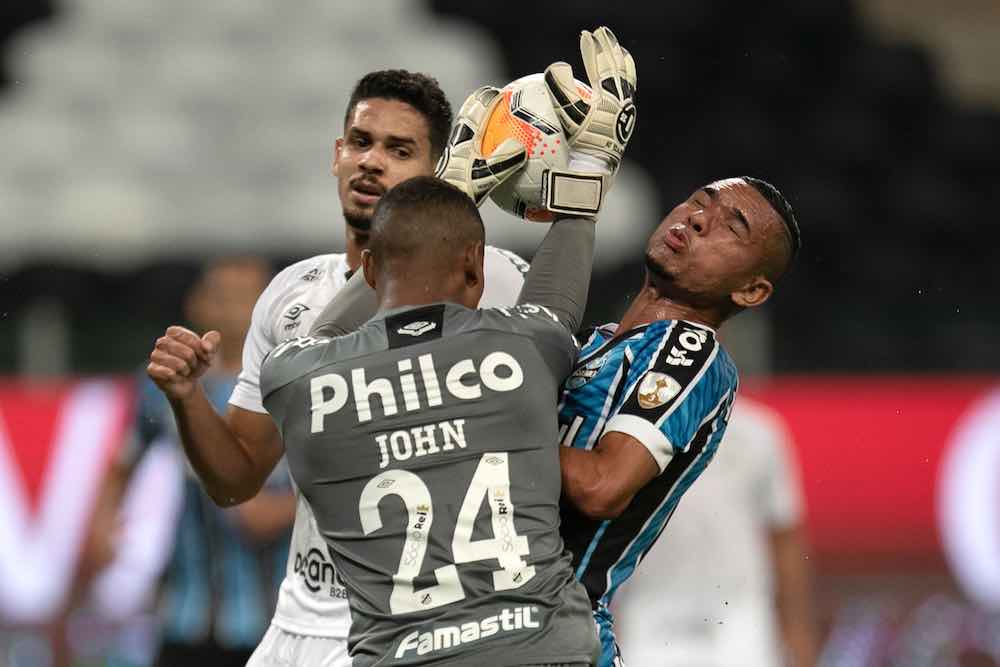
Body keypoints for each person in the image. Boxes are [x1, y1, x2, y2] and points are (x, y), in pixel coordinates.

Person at [145, 69, 529, 666]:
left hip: (430, 628)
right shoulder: (289, 295)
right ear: (336, 155)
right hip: (301, 622)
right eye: (361, 141)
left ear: (436, 170)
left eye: (399, 150)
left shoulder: (497, 280)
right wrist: (187, 397)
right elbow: (236, 479)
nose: (371, 162)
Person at [261, 175, 603, 666]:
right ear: (474, 263)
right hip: (541, 647)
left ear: (371, 269)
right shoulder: (526, 345)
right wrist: (585, 180)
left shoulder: (297, 379)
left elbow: (326, 334)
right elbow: (557, 305)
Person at [554, 175, 801, 667]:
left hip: (554, 632)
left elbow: (602, 486)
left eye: (731, 227)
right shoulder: (591, 344)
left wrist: (490, 422)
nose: (697, 218)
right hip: (506, 624)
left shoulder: (690, 350)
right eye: (698, 201)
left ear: (752, 290)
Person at [134, 257, 295, 667]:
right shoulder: (170, 385)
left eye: (247, 298)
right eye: (222, 297)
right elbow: (126, 453)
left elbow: (253, 516)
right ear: (199, 304)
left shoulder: (293, 384)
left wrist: (301, 505)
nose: (233, 309)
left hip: (274, 621)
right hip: (188, 618)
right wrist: (104, 523)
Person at [610, 396, 818, 667]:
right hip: (651, 615)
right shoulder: (622, 433)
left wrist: (799, 635)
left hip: (740, 617)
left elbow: (784, 538)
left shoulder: (758, 431)